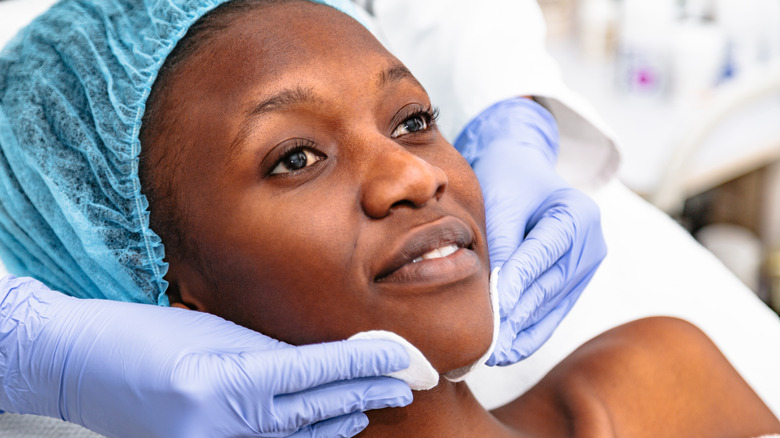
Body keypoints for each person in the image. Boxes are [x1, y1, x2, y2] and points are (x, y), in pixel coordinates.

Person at [11, 1, 780, 437]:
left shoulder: (655, 384)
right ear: (173, 293)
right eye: (295, 159)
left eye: (413, 118)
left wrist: (519, 120)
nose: (413, 175)